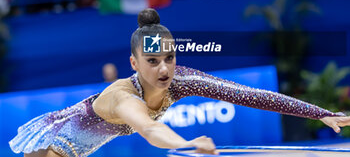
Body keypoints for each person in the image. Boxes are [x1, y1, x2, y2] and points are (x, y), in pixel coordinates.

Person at [9, 8, 350, 157]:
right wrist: (185, 144)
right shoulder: (123, 97)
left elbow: (247, 95)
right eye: (152, 61)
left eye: (169, 59)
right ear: (134, 63)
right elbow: (151, 130)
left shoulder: (182, 80)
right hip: (52, 150)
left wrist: (318, 112)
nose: (163, 69)